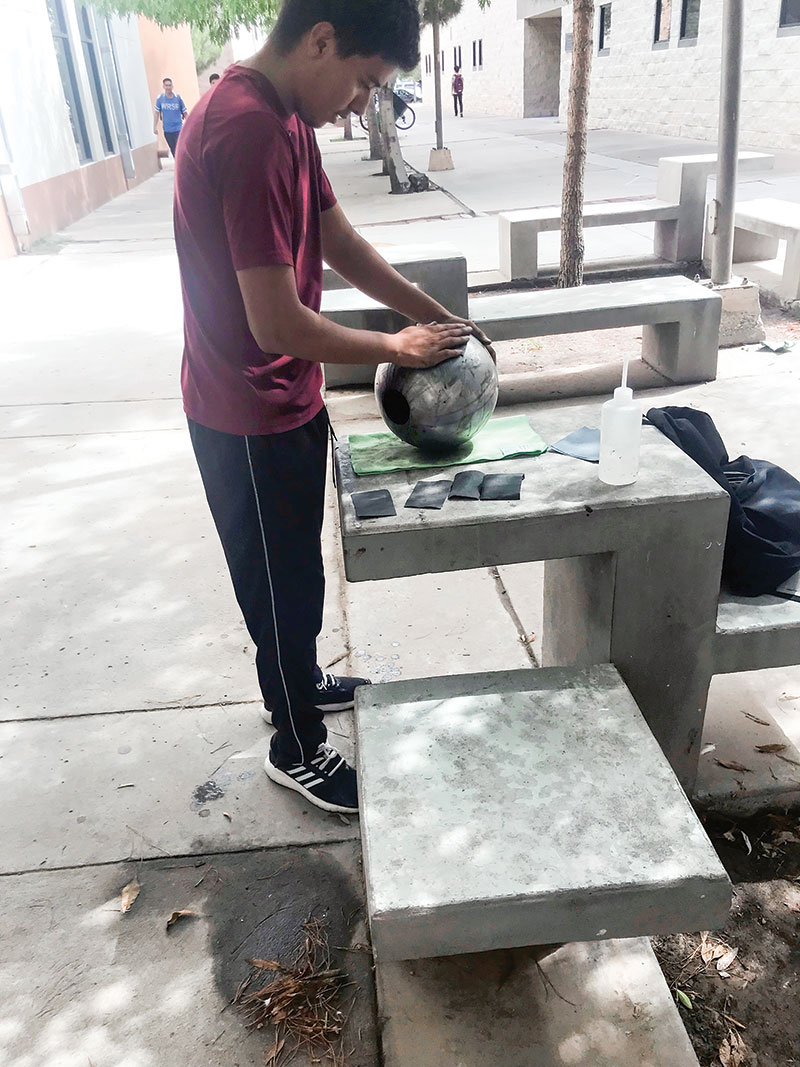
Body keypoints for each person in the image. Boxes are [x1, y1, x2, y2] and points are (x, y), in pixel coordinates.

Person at [173, 0, 492, 817]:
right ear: (319, 40)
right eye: (361, 81)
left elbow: (340, 242)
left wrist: (430, 311)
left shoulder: (286, 119)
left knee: (297, 568)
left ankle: (303, 677)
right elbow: (274, 322)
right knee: (275, 584)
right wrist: (397, 349)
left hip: (286, 394)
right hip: (243, 410)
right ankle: (295, 744)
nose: (359, 103)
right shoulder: (243, 129)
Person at [153, 77, 187, 156]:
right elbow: (156, 113)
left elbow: (185, 112)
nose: (168, 87)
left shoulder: (178, 98)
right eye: (166, 85)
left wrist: (189, 124)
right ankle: (178, 165)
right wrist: (154, 127)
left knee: (179, 148)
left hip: (178, 128)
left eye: (170, 85)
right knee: (173, 149)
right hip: (167, 130)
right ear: (163, 86)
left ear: (172, 86)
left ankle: (181, 165)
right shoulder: (160, 99)